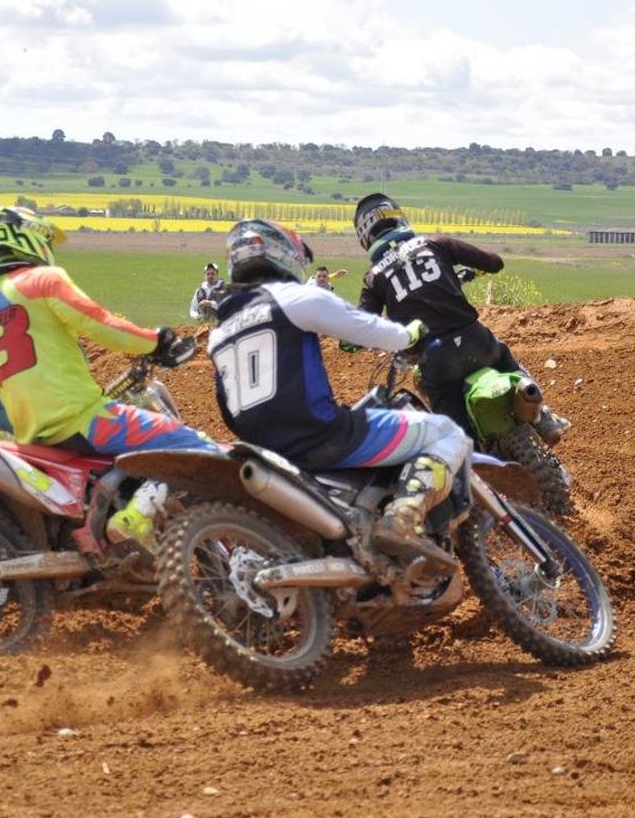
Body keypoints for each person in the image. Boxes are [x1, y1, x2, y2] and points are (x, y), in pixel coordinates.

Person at [209, 219, 472, 560]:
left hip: (265, 454)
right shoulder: (294, 298)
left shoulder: (219, 333)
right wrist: (409, 334)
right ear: (282, 254)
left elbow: (226, 406)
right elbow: (364, 328)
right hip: (322, 436)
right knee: (447, 431)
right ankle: (404, 516)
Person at [0, 205, 217, 546]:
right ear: (30, 239)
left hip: (33, 439)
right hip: (85, 420)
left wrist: (35, 417)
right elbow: (100, 323)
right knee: (197, 448)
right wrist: (155, 340)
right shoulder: (42, 280)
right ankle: (134, 519)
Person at [352, 192, 569, 445]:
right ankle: (543, 418)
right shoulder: (435, 243)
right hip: (475, 341)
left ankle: (476, 463)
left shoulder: (373, 277)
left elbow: (361, 327)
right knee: (502, 355)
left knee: (458, 440)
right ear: (398, 218)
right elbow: (494, 262)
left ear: (365, 236)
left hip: (436, 360)